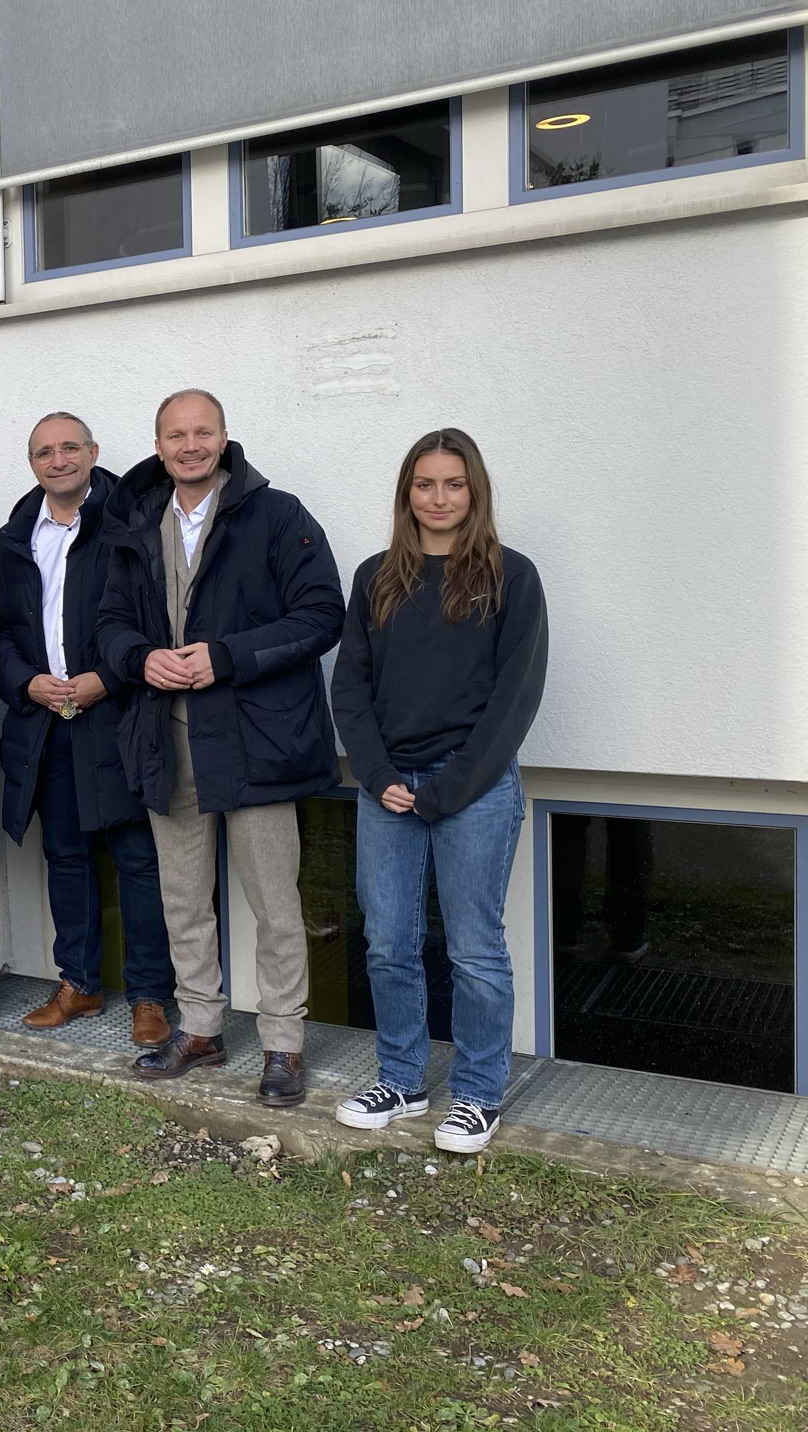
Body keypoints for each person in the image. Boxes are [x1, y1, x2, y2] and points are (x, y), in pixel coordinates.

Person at [95, 389, 345, 1108]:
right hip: (166, 738)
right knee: (182, 898)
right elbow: (109, 623)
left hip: (255, 740)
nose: (190, 445)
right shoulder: (136, 519)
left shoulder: (277, 514)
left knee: (274, 901)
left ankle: (283, 1044)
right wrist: (141, 658)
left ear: (225, 437)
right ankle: (201, 1027)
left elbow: (323, 613)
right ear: (159, 444)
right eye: (177, 434)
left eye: (203, 432)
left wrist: (226, 656)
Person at [330, 428, 548, 1155]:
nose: (440, 497)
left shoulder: (511, 578)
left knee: (474, 949)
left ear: (475, 491)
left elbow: (515, 699)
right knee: (389, 943)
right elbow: (351, 689)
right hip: (388, 789)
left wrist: (451, 788)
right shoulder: (375, 578)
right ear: (407, 494)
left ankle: (480, 1094)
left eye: (454, 484)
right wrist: (380, 776)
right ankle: (401, 1078)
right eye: (425, 484)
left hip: (475, 788)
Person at [0, 414, 174, 1044]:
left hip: (117, 717)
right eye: (45, 451)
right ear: (32, 463)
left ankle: (150, 994)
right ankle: (82, 984)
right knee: (65, 857)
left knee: (136, 861)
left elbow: (156, 619)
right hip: (47, 724)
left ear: (94, 453)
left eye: (70, 447)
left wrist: (108, 678)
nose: (58, 459)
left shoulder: (132, 525)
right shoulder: (13, 538)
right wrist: (26, 683)